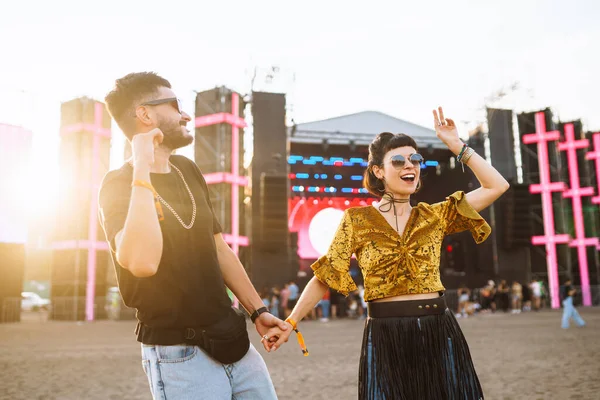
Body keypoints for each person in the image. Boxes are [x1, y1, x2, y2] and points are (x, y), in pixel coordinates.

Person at [265, 107, 509, 399]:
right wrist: (290, 322)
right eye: (398, 160)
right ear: (378, 171)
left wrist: (457, 146)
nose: (410, 166)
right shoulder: (356, 221)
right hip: (385, 336)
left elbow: (497, 185)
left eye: (415, 159)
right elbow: (324, 277)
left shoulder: (435, 215)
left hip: (437, 330)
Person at [99, 72, 287, 399]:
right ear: (144, 114)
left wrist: (258, 311)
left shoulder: (188, 170)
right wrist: (142, 165)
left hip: (235, 344)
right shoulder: (117, 184)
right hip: (179, 354)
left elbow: (218, 248)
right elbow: (141, 262)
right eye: (174, 105)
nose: (185, 114)